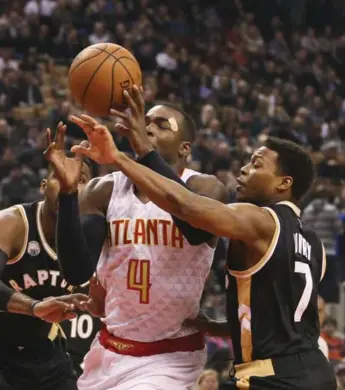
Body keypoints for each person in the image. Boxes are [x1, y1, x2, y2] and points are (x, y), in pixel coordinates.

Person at [62, 92, 337, 389]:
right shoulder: (313, 243)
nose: (244, 169)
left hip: (270, 377)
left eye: (256, 165)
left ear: (284, 183)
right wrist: (215, 326)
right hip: (310, 371)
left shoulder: (258, 219)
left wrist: (120, 156)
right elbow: (279, 321)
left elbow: (187, 209)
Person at [45, 87, 226, 389]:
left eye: (161, 124)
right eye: (147, 122)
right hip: (109, 350)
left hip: (171, 356)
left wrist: (143, 150)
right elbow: (76, 270)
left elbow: (194, 230)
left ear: (185, 148)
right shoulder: (103, 190)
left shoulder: (206, 189)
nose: (149, 126)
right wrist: (67, 195)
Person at [0, 123, 96, 390]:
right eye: (60, 175)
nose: (70, 181)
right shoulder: (12, 224)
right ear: (44, 186)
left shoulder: (90, 236)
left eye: (81, 177)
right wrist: (34, 307)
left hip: (43, 353)